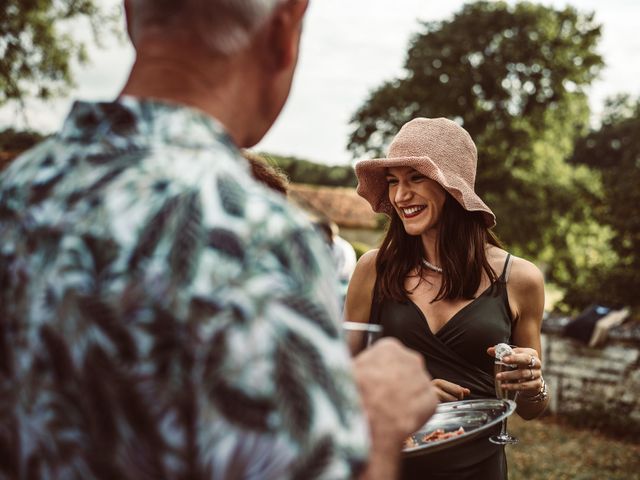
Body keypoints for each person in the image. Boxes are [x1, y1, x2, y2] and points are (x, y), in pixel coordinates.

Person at [0, 2, 437, 479]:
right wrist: (377, 424)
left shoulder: (16, 194)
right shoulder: (260, 241)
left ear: (130, 16)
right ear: (285, 26)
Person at [345, 117, 550, 479]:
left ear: (452, 187)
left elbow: (531, 409)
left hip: (478, 469)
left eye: (415, 178)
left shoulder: (520, 279)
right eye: (393, 182)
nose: (399, 196)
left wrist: (534, 386)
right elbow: (336, 381)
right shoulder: (374, 269)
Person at [315, 218, 358, 308]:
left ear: (327, 233)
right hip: (335, 283)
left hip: (343, 285)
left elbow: (340, 272)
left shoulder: (342, 248)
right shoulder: (329, 246)